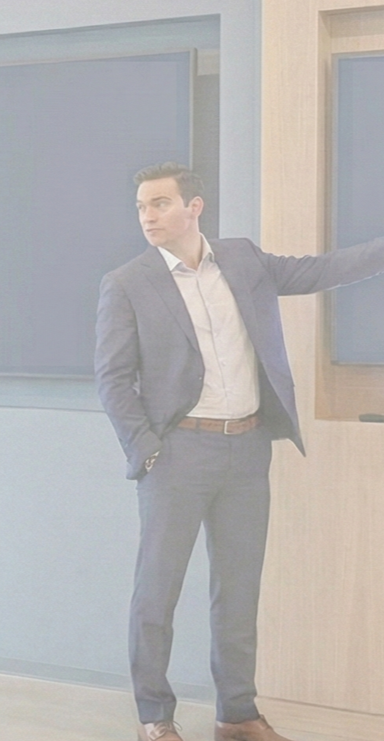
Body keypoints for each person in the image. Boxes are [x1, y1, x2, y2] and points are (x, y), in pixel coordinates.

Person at [95, 162, 384, 741]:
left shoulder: (243, 260)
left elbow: (320, 270)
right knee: (158, 590)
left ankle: (237, 711)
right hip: (178, 456)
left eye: (160, 204)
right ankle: (155, 717)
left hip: (247, 449)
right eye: (142, 207)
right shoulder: (128, 283)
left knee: (239, 587)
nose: (148, 216)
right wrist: (148, 451)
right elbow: (112, 378)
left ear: (193, 207)